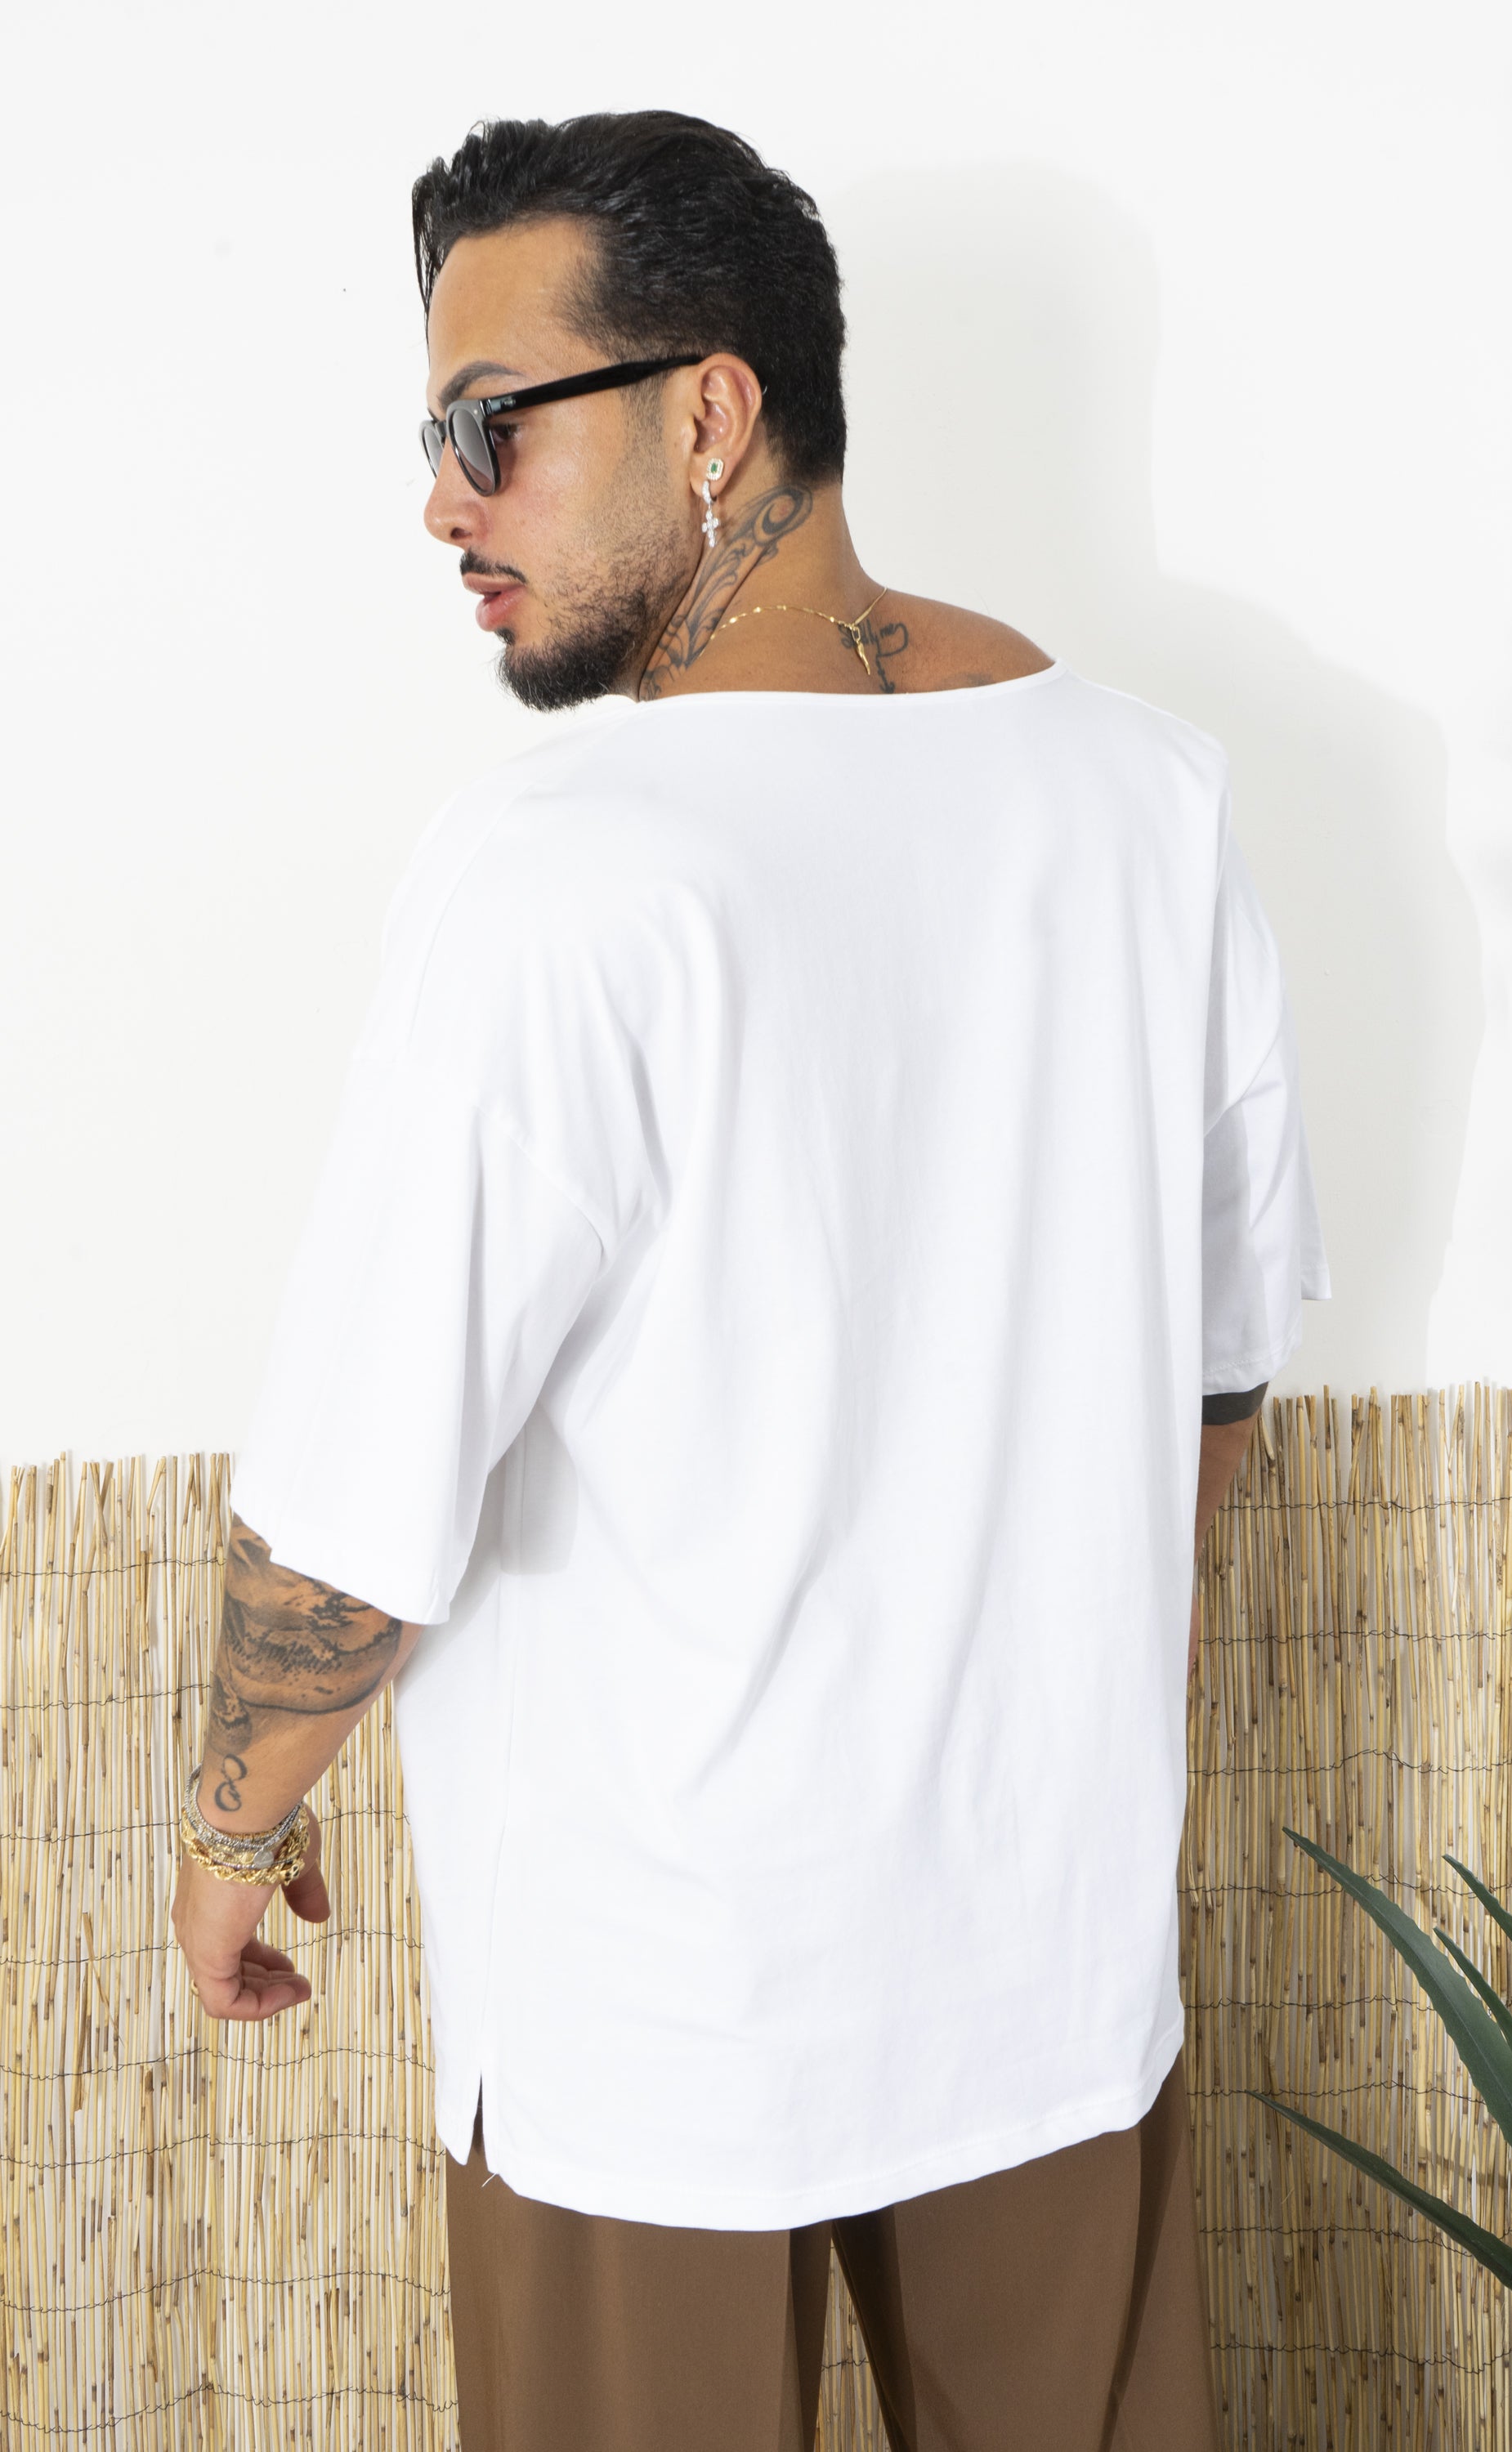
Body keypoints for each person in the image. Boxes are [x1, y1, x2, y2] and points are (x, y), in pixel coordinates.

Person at [168, 108, 1331, 2452]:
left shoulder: (560, 872)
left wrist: (228, 1831)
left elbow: (366, 1492)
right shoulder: (1149, 794)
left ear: (710, 410)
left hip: (665, 2016)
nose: (444, 504)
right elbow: (1214, 1390)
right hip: (1043, 1960)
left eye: (491, 424)